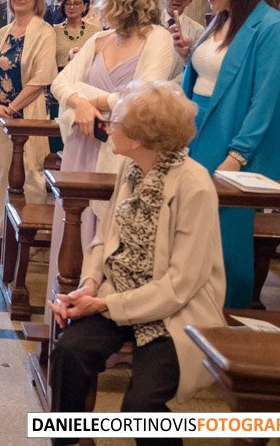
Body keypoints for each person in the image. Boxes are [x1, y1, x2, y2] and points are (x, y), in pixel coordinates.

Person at [48, 81, 226, 442]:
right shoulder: (130, 169)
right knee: (69, 352)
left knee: (141, 407)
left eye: (116, 123)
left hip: (174, 312)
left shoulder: (194, 185)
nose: (108, 126)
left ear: (141, 138)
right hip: (117, 293)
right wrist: (88, 286)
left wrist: (104, 304)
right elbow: (103, 240)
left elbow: (181, 284)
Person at [48, 0, 174, 318]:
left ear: (125, 2)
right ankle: (65, 308)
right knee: (76, 225)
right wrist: (79, 103)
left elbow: (144, 93)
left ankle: (104, 312)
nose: (101, 5)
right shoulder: (99, 40)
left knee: (111, 227)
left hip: (125, 147)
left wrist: (90, 101)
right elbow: (60, 83)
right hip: (83, 143)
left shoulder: (158, 38)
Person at [179, 0, 280, 308]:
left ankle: (223, 316)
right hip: (196, 129)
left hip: (229, 135)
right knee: (189, 233)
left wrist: (237, 155)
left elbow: (265, 100)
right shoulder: (221, 19)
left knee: (224, 237)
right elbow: (201, 75)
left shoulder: (271, 26)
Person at [0, 0, 57, 207]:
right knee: (3, 170)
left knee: (30, 172)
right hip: (2, 114)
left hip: (28, 113)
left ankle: (30, 226)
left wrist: (13, 107)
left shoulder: (45, 31)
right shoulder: (3, 32)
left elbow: (42, 77)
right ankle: (4, 226)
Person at [162, 0, 205, 80]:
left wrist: (170, 86)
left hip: (176, 86)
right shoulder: (149, 22)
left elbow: (195, 64)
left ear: (190, 1)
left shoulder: (198, 30)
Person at [52, 0, 101, 70]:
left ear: (85, 6)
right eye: (68, 4)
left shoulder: (95, 31)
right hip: (60, 75)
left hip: (86, 74)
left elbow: (100, 60)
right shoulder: (54, 30)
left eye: (76, 4)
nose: (71, 7)